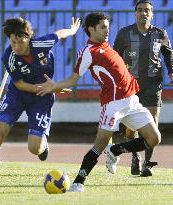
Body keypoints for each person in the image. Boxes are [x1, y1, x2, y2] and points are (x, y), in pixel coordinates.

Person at [35, 12, 161, 192]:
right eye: (103, 27)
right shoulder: (88, 51)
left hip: (132, 101)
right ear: (91, 29)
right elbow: (73, 78)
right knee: (100, 143)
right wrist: (55, 86)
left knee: (154, 138)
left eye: (108, 27)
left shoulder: (106, 45)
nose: (107, 31)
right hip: (113, 105)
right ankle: (78, 182)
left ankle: (115, 150)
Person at [0, 16, 80, 193]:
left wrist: (72, 30)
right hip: (17, 95)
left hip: (42, 98)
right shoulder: (9, 56)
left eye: (19, 41)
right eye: (12, 42)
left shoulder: (41, 44)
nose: (16, 46)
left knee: (34, 149)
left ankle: (43, 146)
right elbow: (20, 85)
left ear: (27, 36)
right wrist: (50, 88)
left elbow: (59, 34)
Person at [113, 0, 173, 177]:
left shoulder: (160, 33)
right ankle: (135, 155)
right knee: (130, 128)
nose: (143, 13)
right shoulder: (125, 33)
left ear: (152, 14)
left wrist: (171, 71)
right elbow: (115, 58)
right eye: (139, 10)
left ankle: (147, 164)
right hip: (131, 84)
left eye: (147, 10)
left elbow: (168, 54)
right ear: (135, 13)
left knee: (152, 121)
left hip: (153, 83)